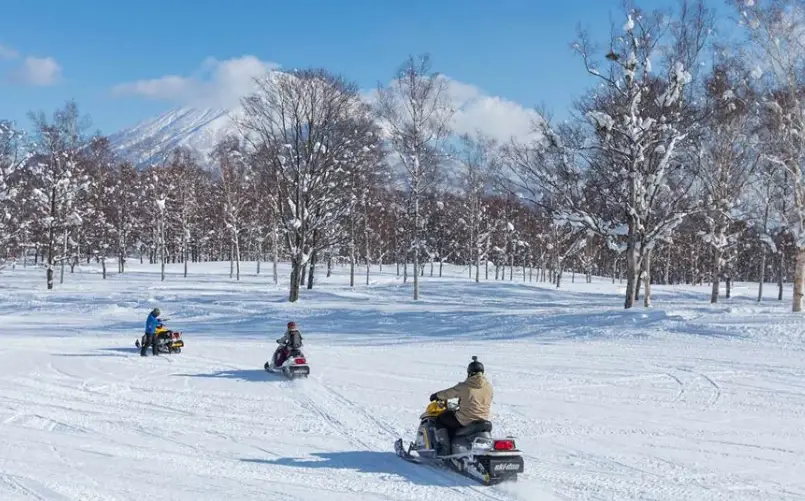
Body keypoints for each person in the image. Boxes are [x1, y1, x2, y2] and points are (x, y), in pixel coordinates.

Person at [429, 356, 493, 438]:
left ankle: (444, 449)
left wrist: (436, 395)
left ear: (469, 372)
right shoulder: (489, 387)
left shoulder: (465, 386)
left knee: (441, 418)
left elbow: (448, 393)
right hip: (483, 419)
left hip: (465, 420)